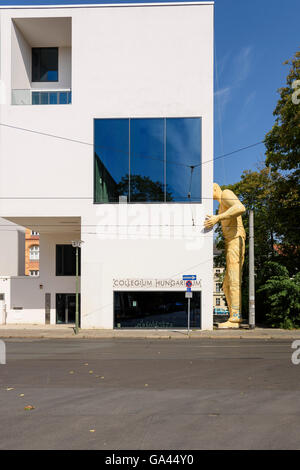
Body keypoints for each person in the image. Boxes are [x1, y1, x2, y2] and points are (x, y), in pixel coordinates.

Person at [204, 183, 246, 328]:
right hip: (230, 243)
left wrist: (218, 218)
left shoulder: (226, 194)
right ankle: (233, 316)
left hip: (236, 241)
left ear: (215, 188)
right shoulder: (221, 204)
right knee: (226, 284)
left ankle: (235, 319)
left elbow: (240, 207)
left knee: (233, 280)